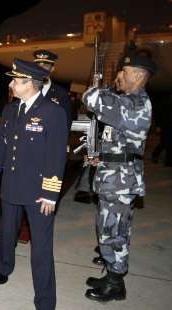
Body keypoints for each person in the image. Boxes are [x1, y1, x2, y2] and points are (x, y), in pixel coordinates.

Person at [0, 58, 68, 310]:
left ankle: (45, 300)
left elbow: (56, 156)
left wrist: (51, 194)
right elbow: (1, 147)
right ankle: (4, 267)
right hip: (11, 186)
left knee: (41, 247)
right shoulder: (11, 110)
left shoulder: (53, 112)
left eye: (15, 81)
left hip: (38, 192)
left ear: (29, 84)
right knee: (6, 232)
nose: (11, 84)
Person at [82, 52, 156, 302]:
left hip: (120, 182)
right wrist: (102, 156)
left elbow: (91, 99)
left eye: (124, 72)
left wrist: (96, 83)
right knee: (110, 229)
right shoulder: (128, 101)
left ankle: (115, 285)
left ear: (139, 75)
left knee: (113, 232)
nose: (119, 77)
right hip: (115, 177)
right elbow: (120, 140)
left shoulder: (135, 103)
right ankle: (112, 276)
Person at [33, 49, 72, 130]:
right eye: (38, 66)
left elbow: (66, 123)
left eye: (45, 66)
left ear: (52, 69)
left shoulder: (61, 93)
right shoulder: (28, 89)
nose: (41, 69)